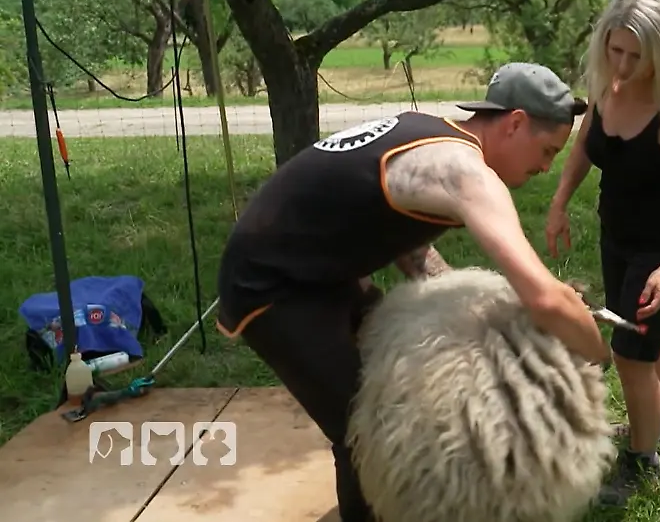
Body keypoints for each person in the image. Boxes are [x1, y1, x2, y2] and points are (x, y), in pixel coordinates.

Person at [214, 62, 610, 522]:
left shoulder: (428, 135)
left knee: (385, 385)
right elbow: (544, 296)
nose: (545, 167)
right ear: (515, 122)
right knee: (361, 429)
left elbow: (406, 243)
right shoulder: (466, 173)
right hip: (271, 285)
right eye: (546, 151)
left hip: (318, 268)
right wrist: (593, 355)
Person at [546, 0, 660, 507]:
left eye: (635, 55)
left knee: (629, 356)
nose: (622, 63)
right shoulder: (605, 91)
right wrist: (558, 203)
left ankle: (642, 463)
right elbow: (583, 150)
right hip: (615, 239)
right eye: (615, 50)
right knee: (643, 338)